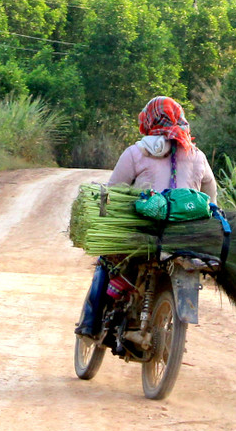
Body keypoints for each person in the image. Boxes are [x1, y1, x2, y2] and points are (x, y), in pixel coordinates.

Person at [75, 96, 218, 338]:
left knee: (105, 262)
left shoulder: (136, 153)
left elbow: (114, 190)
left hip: (143, 233)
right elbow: (211, 195)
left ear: (148, 120)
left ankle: (90, 324)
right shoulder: (196, 154)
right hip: (185, 237)